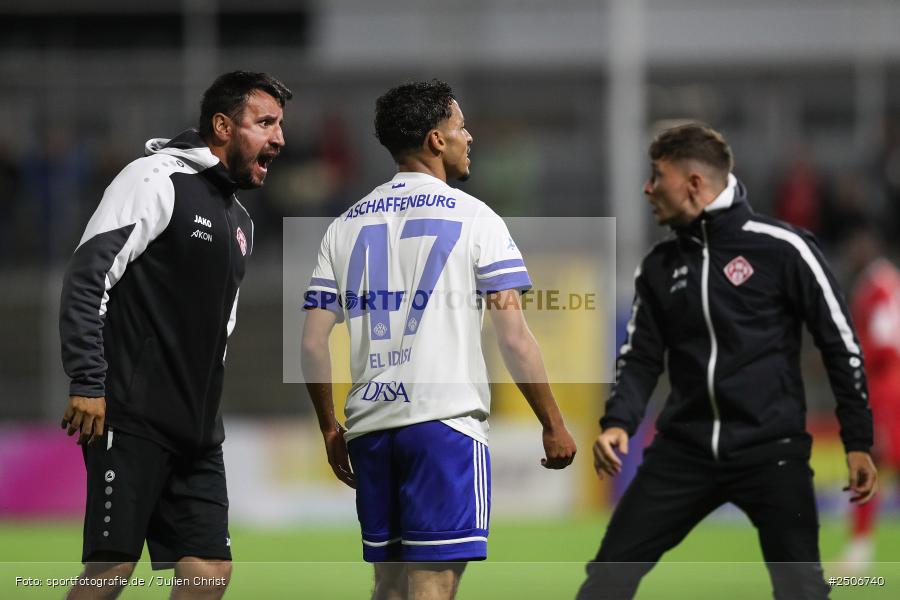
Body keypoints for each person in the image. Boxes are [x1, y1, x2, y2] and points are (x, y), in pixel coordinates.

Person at [301, 80, 577, 600]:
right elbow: (514, 337)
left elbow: (314, 342)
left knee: (389, 583)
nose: (469, 137)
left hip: (370, 427)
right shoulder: (476, 218)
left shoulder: (344, 226)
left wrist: (330, 428)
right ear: (435, 139)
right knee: (434, 582)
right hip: (443, 425)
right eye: (460, 127)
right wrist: (553, 422)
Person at [576, 124, 877, 600]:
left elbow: (840, 344)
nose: (648, 188)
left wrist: (858, 441)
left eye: (657, 176)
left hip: (772, 451)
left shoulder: (784, 248)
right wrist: (619, 422)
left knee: (802, 589)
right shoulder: (659, 266)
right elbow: (640, 358)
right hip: (683, 451)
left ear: (693, 183)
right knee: (607, 580)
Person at [59, 71, 291, 600]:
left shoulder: (240, 220)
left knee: (209, 574)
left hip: (198, 429)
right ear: (223, 126)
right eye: (265, 123)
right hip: (131, 415)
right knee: (110, 572)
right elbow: (89, 277)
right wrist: (88, 380)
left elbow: (221, 329)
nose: (279, 138)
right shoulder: (154, 178)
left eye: (279, 125)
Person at [838, 227, 900, 570]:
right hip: (885, 383)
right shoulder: (883, 281)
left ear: (870, 247)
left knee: (871, 460)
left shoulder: (877, 285)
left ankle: (859, 551)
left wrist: (848, 358)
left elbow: (884, 342)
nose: (851, 252)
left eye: (856, 246)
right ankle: (859, 549)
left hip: (886, 385)